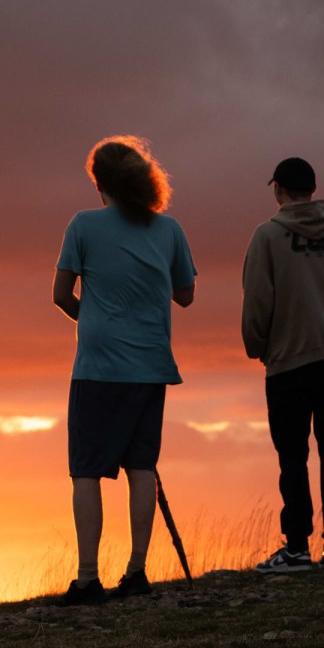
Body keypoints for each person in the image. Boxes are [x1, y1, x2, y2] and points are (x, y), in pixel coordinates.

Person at [51, 136, 196, 604]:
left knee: (87, 471)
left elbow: (59, 294)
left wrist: (92, 320)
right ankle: (136, 573)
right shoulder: (168, 229)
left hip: (97, 367)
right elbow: (185, 294)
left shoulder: (82, 226)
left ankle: (88, 577)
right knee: (141, 467)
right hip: (150, 364)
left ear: (99, 183)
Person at [240, 156, 324, 572]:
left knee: (292, 458)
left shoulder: (267, 237)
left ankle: (296, 547)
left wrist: (258, 346)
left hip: (287, 364)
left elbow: (258, 303)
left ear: (278, 189)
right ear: (313, 189)